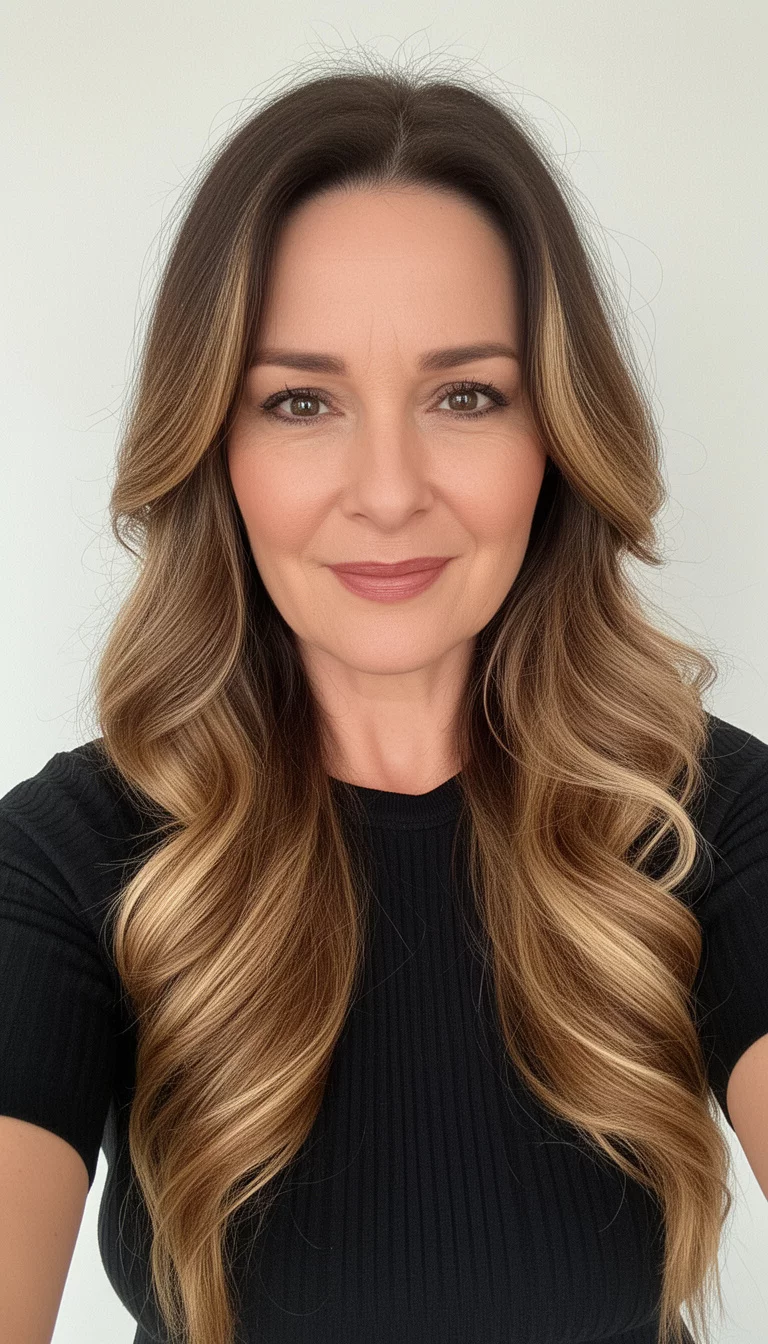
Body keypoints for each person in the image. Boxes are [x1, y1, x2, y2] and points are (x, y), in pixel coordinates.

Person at [1, 57, 766, 1344]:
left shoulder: (707, 825)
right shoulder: (64, 865)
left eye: (466, 395)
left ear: (557, 436)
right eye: (301, 402)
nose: (391, 488)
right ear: (216, 449)